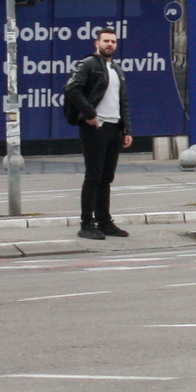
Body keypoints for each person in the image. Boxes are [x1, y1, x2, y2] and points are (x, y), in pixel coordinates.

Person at [61, 27, 132, 240]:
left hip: (113, 128)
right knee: (93, 176)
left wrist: (126, 129)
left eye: (113, 41)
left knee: (106, 177)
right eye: (106, 41)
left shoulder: (117, 69)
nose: (110, 44)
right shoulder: (89, 64)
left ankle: (104, 222)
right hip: (95, 127)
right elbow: (72, 88)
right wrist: (90, 113)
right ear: (97, 43)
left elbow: (123, 101)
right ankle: (87, 224)